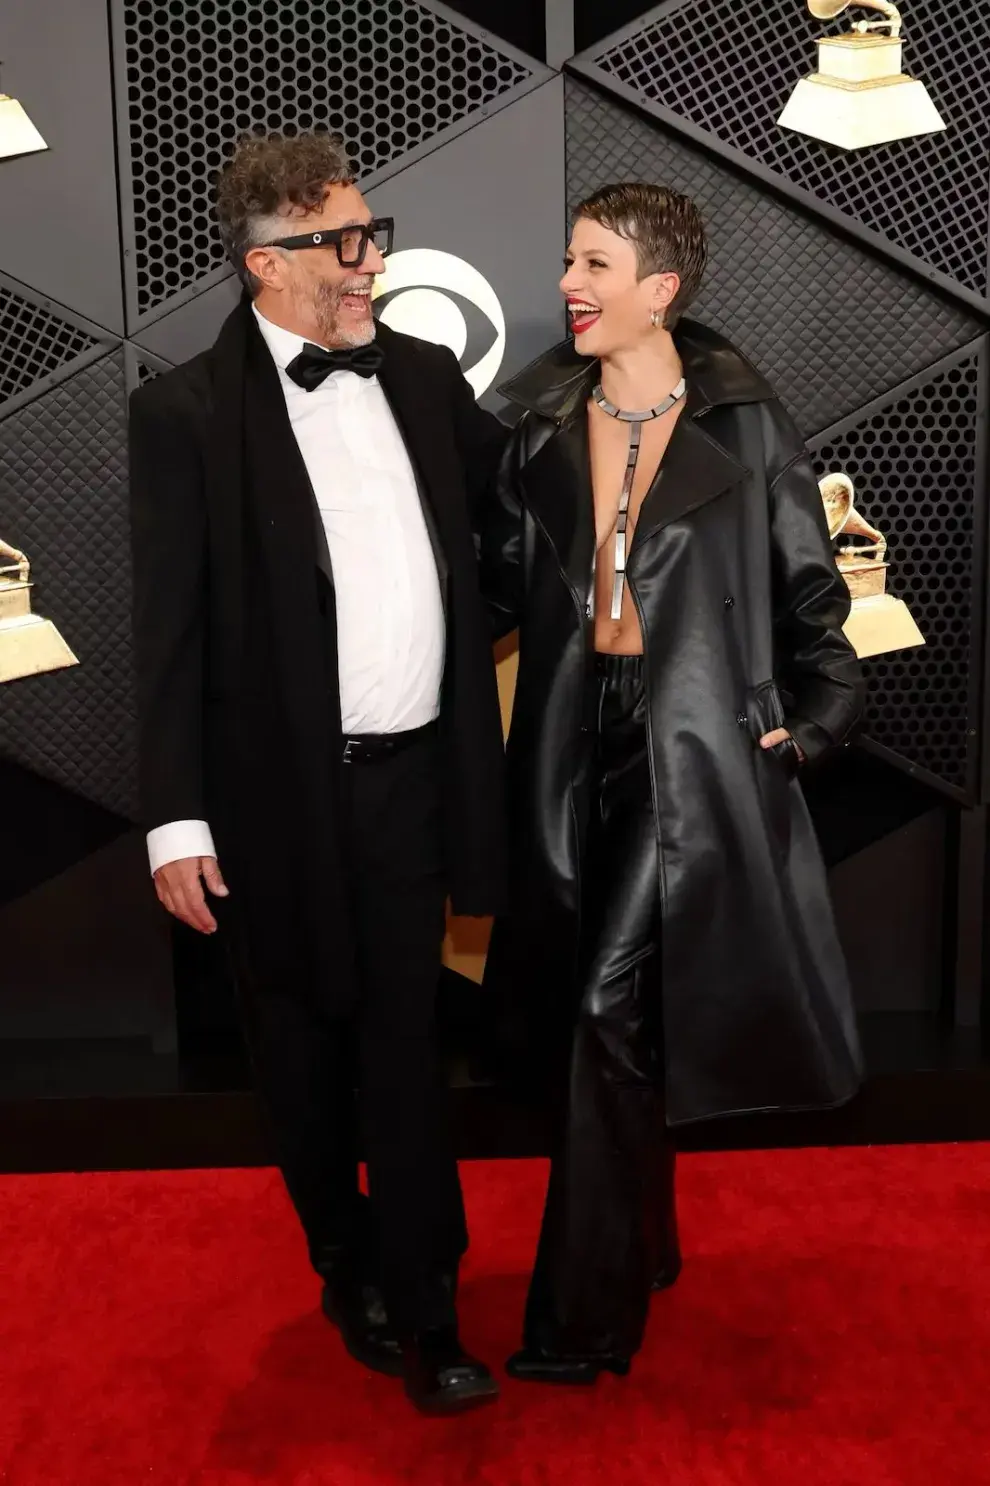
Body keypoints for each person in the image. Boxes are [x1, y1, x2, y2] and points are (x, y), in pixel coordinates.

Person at [128, 132, 509, 1416]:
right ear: (266, 265)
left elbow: (513, 526)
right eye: (342, 244)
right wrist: (174, 819)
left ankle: (430, 1304)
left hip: (410, 789)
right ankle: (344, 1261)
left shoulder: (424, 376)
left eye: (370, 233)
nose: (369, 263)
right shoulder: (180, 413)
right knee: (297, 1058)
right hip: (268, 806)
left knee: (404, 1050)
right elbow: (168, 629)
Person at [480, 182, 866, 1383]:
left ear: (663, 288)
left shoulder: (747, 424)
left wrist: (801, 732)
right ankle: (644, 1235)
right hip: (566, 739)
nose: (569, 285)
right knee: (595, 1018)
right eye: (566, 261)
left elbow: (818, 603)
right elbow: (488, 591)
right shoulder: (536, 422)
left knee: (606, 1003)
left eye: (595, 264)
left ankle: (581, 1320)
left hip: (691, 747)